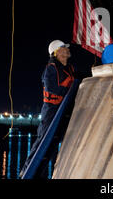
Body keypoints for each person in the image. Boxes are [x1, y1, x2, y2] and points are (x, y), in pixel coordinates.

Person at [20, 39, 76, 178]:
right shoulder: (51, 68)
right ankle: (26, 169)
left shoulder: (69, 68)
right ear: (56, 52)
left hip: (64, 108)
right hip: (51, 109)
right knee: (43, 138)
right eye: (63, 48)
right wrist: (70, 90)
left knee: (65, 137)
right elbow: (53, 88)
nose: (67, 50)